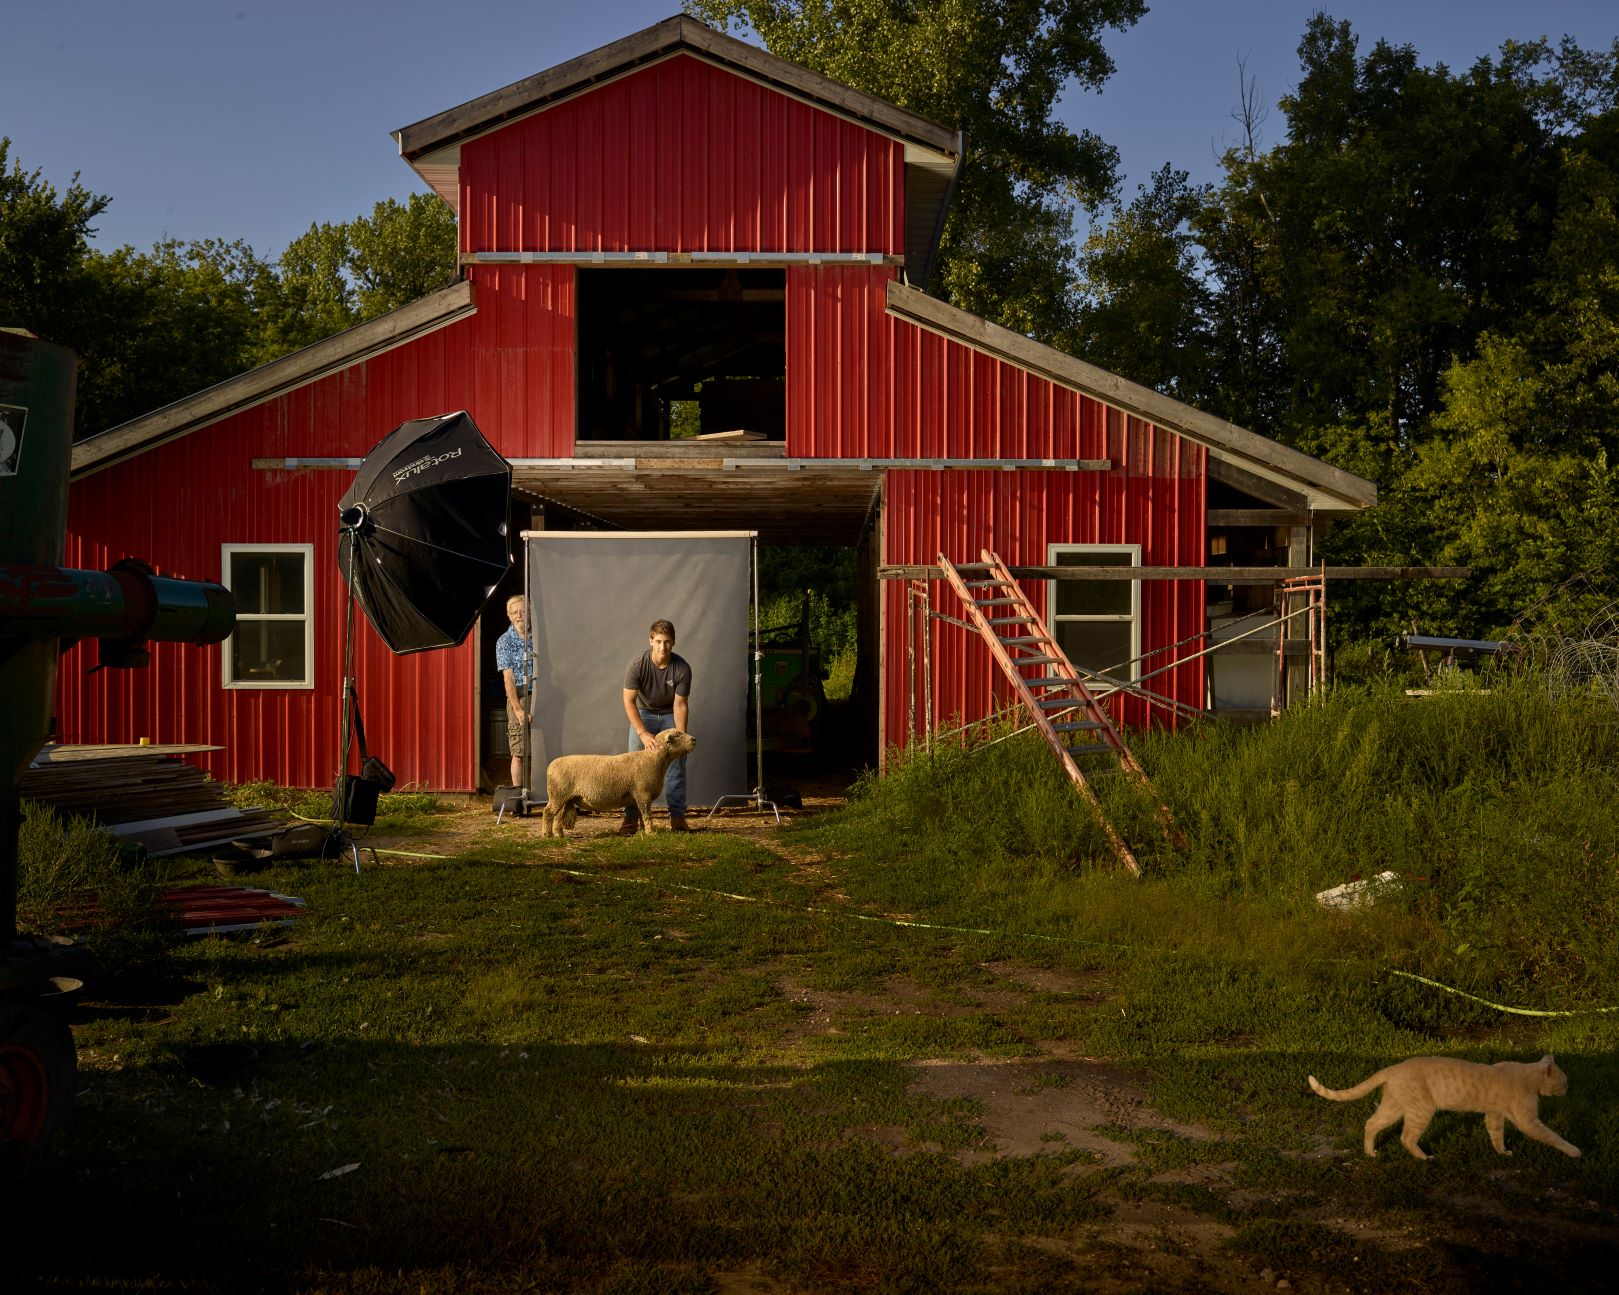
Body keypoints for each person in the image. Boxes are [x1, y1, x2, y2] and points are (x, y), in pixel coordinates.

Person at [619, 618, 692, 833]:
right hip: (644, 713)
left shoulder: (682, 668)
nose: (663, 647)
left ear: (674, 642)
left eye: (667, 642)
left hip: (670, 714)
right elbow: (628, 701)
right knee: (632, 767)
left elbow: (680, 704)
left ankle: (677, 818)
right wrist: (642, 733)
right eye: (658, 641)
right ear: (650, 640)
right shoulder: (637, 665)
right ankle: (631, 819)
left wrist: (681, 736)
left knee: (677, 767)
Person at [494, 595, 531, 790]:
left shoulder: (541, 637)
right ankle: (519, 796)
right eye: (515, 612)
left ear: (530, 613)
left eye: (523, 611)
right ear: (509, 616)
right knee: (518, 749)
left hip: (544, 694)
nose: (520, 615)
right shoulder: (504, 642)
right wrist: (517, 709)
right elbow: (508, 679)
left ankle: (547, 795)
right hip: (519, 696)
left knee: (545, 745)